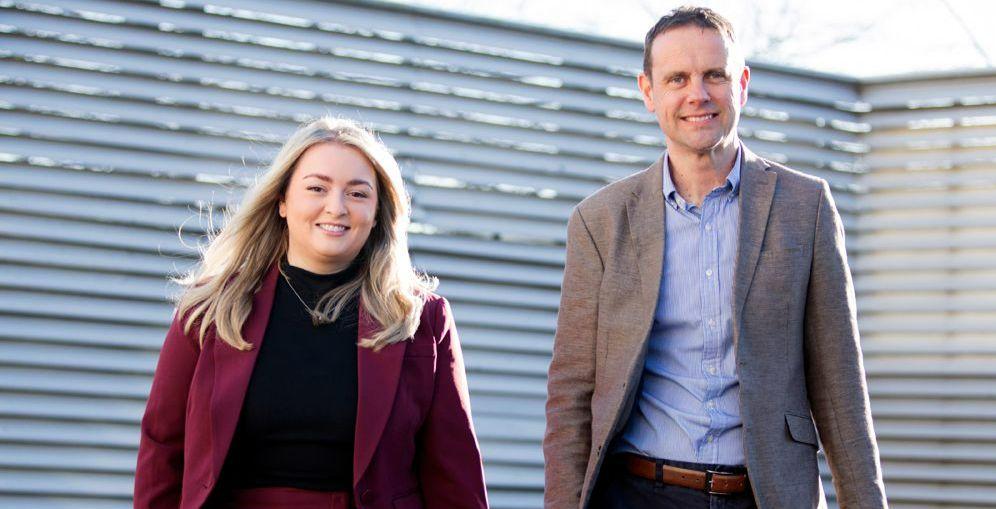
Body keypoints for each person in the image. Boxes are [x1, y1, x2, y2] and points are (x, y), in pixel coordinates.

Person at [543, 6, 886, 509]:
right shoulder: (599, 222)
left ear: (741, 83)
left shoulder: (804, 208)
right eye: (677, 78)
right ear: (648, 91)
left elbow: (841, 392)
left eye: (714, 76)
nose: (697, 95)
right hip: (636, 494)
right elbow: (571, 396)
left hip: (766, 496)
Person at [134, 117, 488, 509]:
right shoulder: (211, 309)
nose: (336, 207)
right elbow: (162, 448)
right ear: (282, 201)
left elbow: (454, 475)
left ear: (377, 212)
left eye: (357, 193)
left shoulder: (422, 319)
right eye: (317, 188)